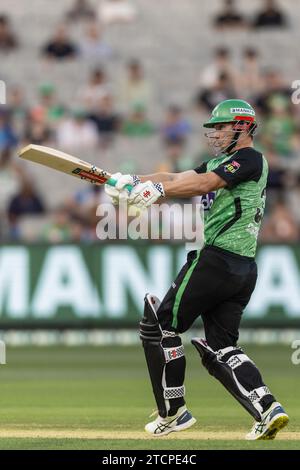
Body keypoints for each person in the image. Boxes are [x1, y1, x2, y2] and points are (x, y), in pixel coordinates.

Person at [104, 99, 289, 440]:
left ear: (245, 127)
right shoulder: (222, 161)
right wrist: (130, 180)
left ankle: (174, 412)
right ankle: (268, 407)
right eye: (214, 128)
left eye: (222, 127)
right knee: (223, 345)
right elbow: (176, 177)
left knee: (163, 325)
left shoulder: (248, 159)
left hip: (216, 260)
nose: (215, 133)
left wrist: (156, 190)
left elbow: (203, 185)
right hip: (243, 269)